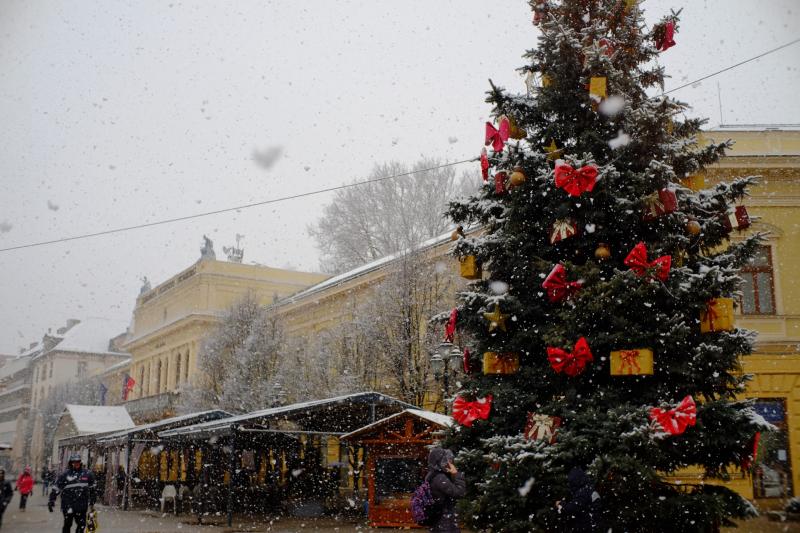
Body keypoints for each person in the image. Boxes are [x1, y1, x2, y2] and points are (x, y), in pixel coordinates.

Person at [49, 454, 96, 533]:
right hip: (68, 505)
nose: (76, 463)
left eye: (78, 461)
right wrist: (51, 500)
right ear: (71, 463)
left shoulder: (87, 474)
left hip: (81, 505)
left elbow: (92, 488)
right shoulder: (65, 475)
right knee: (67, 524)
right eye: (74, 462)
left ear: (80, 462)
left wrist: (93, 499)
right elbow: (56, 488)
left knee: (82, 525)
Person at [425, 447, 466, 533]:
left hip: (438, 518)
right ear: (440, 461)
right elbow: (459, 492)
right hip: (444, 520)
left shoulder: (432, 474)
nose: (449, 463)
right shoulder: (440, 478)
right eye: (447, 460)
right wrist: (456, 474)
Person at [556, 467, 602, 532]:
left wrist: (561, 504)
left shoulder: (583, 492)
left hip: (588, 527)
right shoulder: (589, 489)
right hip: (593, 525)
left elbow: (572, 508)